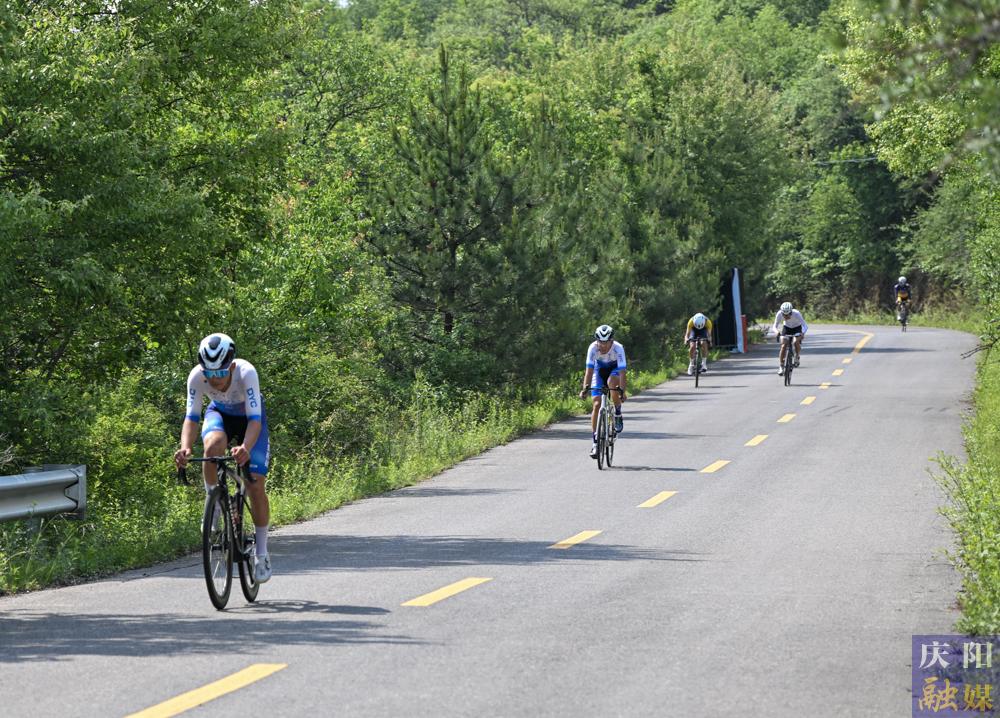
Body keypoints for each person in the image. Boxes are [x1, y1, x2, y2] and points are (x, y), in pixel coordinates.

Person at [174, 333, 273, 583]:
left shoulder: (247, 372)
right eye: (209, 373)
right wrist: (185, 448)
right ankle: (215, 504)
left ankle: (262, 553)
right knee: (212, 448)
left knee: (255, 484)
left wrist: (245, 447)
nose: (214, 379)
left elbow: (255, 420)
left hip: (250, 419)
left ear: (231, 366)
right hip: (219, 413)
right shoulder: (197, 377)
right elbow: (191, 418)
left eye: (220, 372)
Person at [579, 324, 627, 459]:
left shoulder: (618, 348)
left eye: (606, 342)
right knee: (596, 403)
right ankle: (595, 443)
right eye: (600, 342)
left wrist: (622, 391)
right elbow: (589, 371)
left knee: (612, 383)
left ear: (612, 341)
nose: (603, 345)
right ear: (597, 340)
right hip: (598, 370)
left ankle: (617, 413)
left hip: (615, 370)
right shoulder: (592, 348)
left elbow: (622, 373)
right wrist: (585, 389)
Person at [771, 302, 808, 375]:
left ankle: (797, 356)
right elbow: (774, 326)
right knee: (783, 345)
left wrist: (802, 333)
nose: (786, 316)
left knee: (795, 342)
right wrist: (777, 332)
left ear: (791, 312)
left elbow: (805, 325)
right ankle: (781, 366)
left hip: (797, 328)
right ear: (782, 313)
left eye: (788, 314)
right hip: (787, 328)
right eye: (784, 315)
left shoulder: (796, 313)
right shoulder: (779, 314)